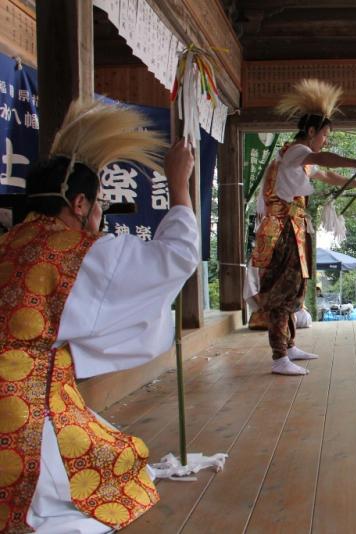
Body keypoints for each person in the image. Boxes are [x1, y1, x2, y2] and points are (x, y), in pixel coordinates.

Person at [0, 100, 198, 532]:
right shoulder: (79, 251)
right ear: (79, 203)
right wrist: (178, 186)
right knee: (80, 491)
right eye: (100, 205)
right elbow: (177, 258)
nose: (99, 217)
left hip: (27, 395)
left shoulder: (9, 242)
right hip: (21, 412)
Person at [250, 79, 356, 376]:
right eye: (324, 135)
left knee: (296, 286)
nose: (325, 141)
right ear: (311, 132)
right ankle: (279, 356)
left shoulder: (300, 159)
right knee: (283, 287)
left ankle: (289, 345)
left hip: (293, 225)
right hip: (280, 228)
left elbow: (325, 172)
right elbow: (320, 157)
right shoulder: (296, 151)